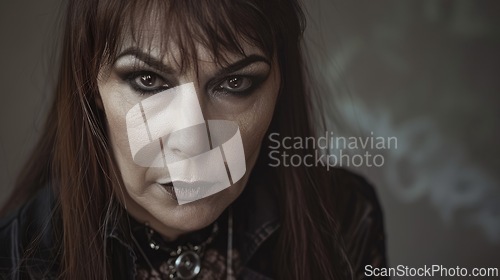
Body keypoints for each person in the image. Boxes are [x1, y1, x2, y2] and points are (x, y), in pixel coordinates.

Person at [0, 0, 387, 279]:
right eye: (149, 81)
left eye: (235, 82)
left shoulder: (343, 217)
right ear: (90, 86)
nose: (194, 142)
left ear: (279, 84)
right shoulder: (17, 259)